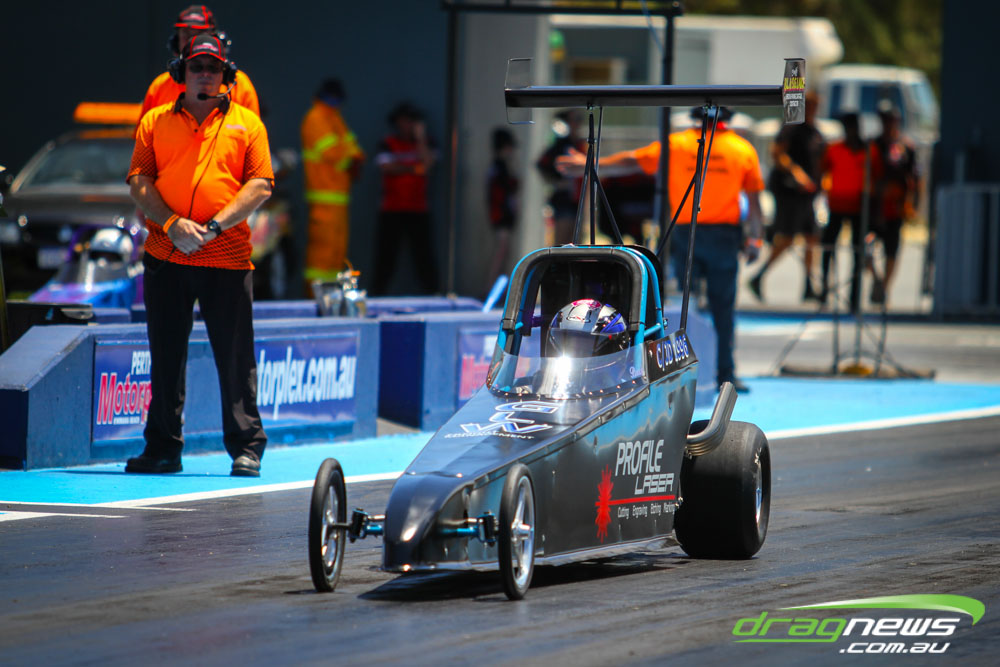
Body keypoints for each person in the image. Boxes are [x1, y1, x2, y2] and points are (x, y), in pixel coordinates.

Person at [125, 34, 273, 477]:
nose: (205, 74)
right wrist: (173, 224)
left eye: (213, 68)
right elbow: (139, 180)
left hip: (225, 257)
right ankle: (163, 449)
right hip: (166, 254)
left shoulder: (249, 124)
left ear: (226, 75)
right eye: (197, 67)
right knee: (165, 356)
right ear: (181, 72)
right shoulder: (154, 121)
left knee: (235, 358)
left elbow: (260, 185)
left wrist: (213, 227)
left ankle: (247, 448)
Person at [558, 106, 764, 393]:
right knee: (723, 309)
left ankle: (676, 371)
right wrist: (755, 239)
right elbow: (754, 202)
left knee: (679, 306)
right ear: (727, 121)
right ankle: (725, 374)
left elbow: (630, 161)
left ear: (695, 119)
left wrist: (590, 164)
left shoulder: (677, 145)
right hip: (723, 237)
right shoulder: (742, 149)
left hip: (685, 232)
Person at [749, 91, 825, 302]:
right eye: (810, 106)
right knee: (788, 237)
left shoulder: (815, 132)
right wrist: (796, 173)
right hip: (789, 192)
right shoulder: (791, 127)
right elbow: (777, 153)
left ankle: (808, 284)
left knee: (811, 236)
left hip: (808, 194)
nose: (813, 110)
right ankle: (759, 276)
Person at [138, 5, 260, 122]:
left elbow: (252, 130)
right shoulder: (159, 87)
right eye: (186, 34)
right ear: (175, 41)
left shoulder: (239, 85)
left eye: (200, 34)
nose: (193, 41)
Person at [300, 78, 365, 293]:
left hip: (338, 199)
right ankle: (314, 297)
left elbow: (354, 150)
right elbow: (333, 153)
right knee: (321, 256)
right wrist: (351, 159)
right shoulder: (316, 118)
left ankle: (332, 297)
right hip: (323, 199)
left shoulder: (334, 118)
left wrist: (353, 158)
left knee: (336, 254)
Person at [372, 102, 439, 295]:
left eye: (412, 121)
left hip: (418, 208)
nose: (408, 125)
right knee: (386, 255)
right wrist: (414, 168)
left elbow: (428, 164)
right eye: (404, 121)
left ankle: (432, 294)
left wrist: (420, 138)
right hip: (392, 208)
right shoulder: (388, 143)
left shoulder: (426, 142)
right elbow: (386, 167)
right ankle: (378, 294)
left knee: (423, 255)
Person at [819, 112, 876, 313]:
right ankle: (824, 289)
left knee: (857, 251)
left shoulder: (869, 150)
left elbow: (876, 176)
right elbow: (823, 170)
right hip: (836, 205)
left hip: (858, 207)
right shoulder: (834, 149)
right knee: (828, 247)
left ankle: (854, 297)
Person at [870, 103, 919, 305]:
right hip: (874, 208)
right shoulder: (873, 145)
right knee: (865, 247)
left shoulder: (905, 147)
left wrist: (913, 204)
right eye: (884, 120)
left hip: (895, 208)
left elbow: (915, 178)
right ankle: (876, 278)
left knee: (892, 250)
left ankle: (884, 287)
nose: (888, 124)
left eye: (891, 120)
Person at [536, 110, 587, 245]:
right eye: (575, 120)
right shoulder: (561, 145)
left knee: (577, 242)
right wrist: (556, 181)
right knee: (562, 241)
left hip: (578, 201)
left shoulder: (580, 144)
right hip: (564, 200)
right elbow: (541, 164)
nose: (578, 124)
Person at [484, 128, 519, 296]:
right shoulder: (498, 167)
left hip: (503, 216)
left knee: (504, 253)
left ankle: (498, 291)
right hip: (501, 216)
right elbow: (499, 194)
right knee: (500, 252)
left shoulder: (502, 166)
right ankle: (490, 290)